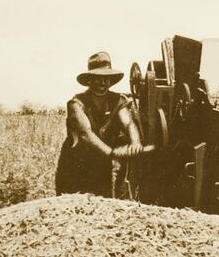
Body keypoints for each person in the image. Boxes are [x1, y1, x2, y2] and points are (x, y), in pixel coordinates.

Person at [55, 51, 150, 198]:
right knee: (73, 207)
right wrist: (111, 153)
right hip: (75, 165)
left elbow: (128, 123)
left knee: (101, 204)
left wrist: (135, 142)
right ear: (89, 80)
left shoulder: (118, 100)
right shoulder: (76, 103)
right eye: (98, 78)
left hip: (100, 165)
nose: (103, 83)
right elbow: (86, 134)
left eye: (106, 79)